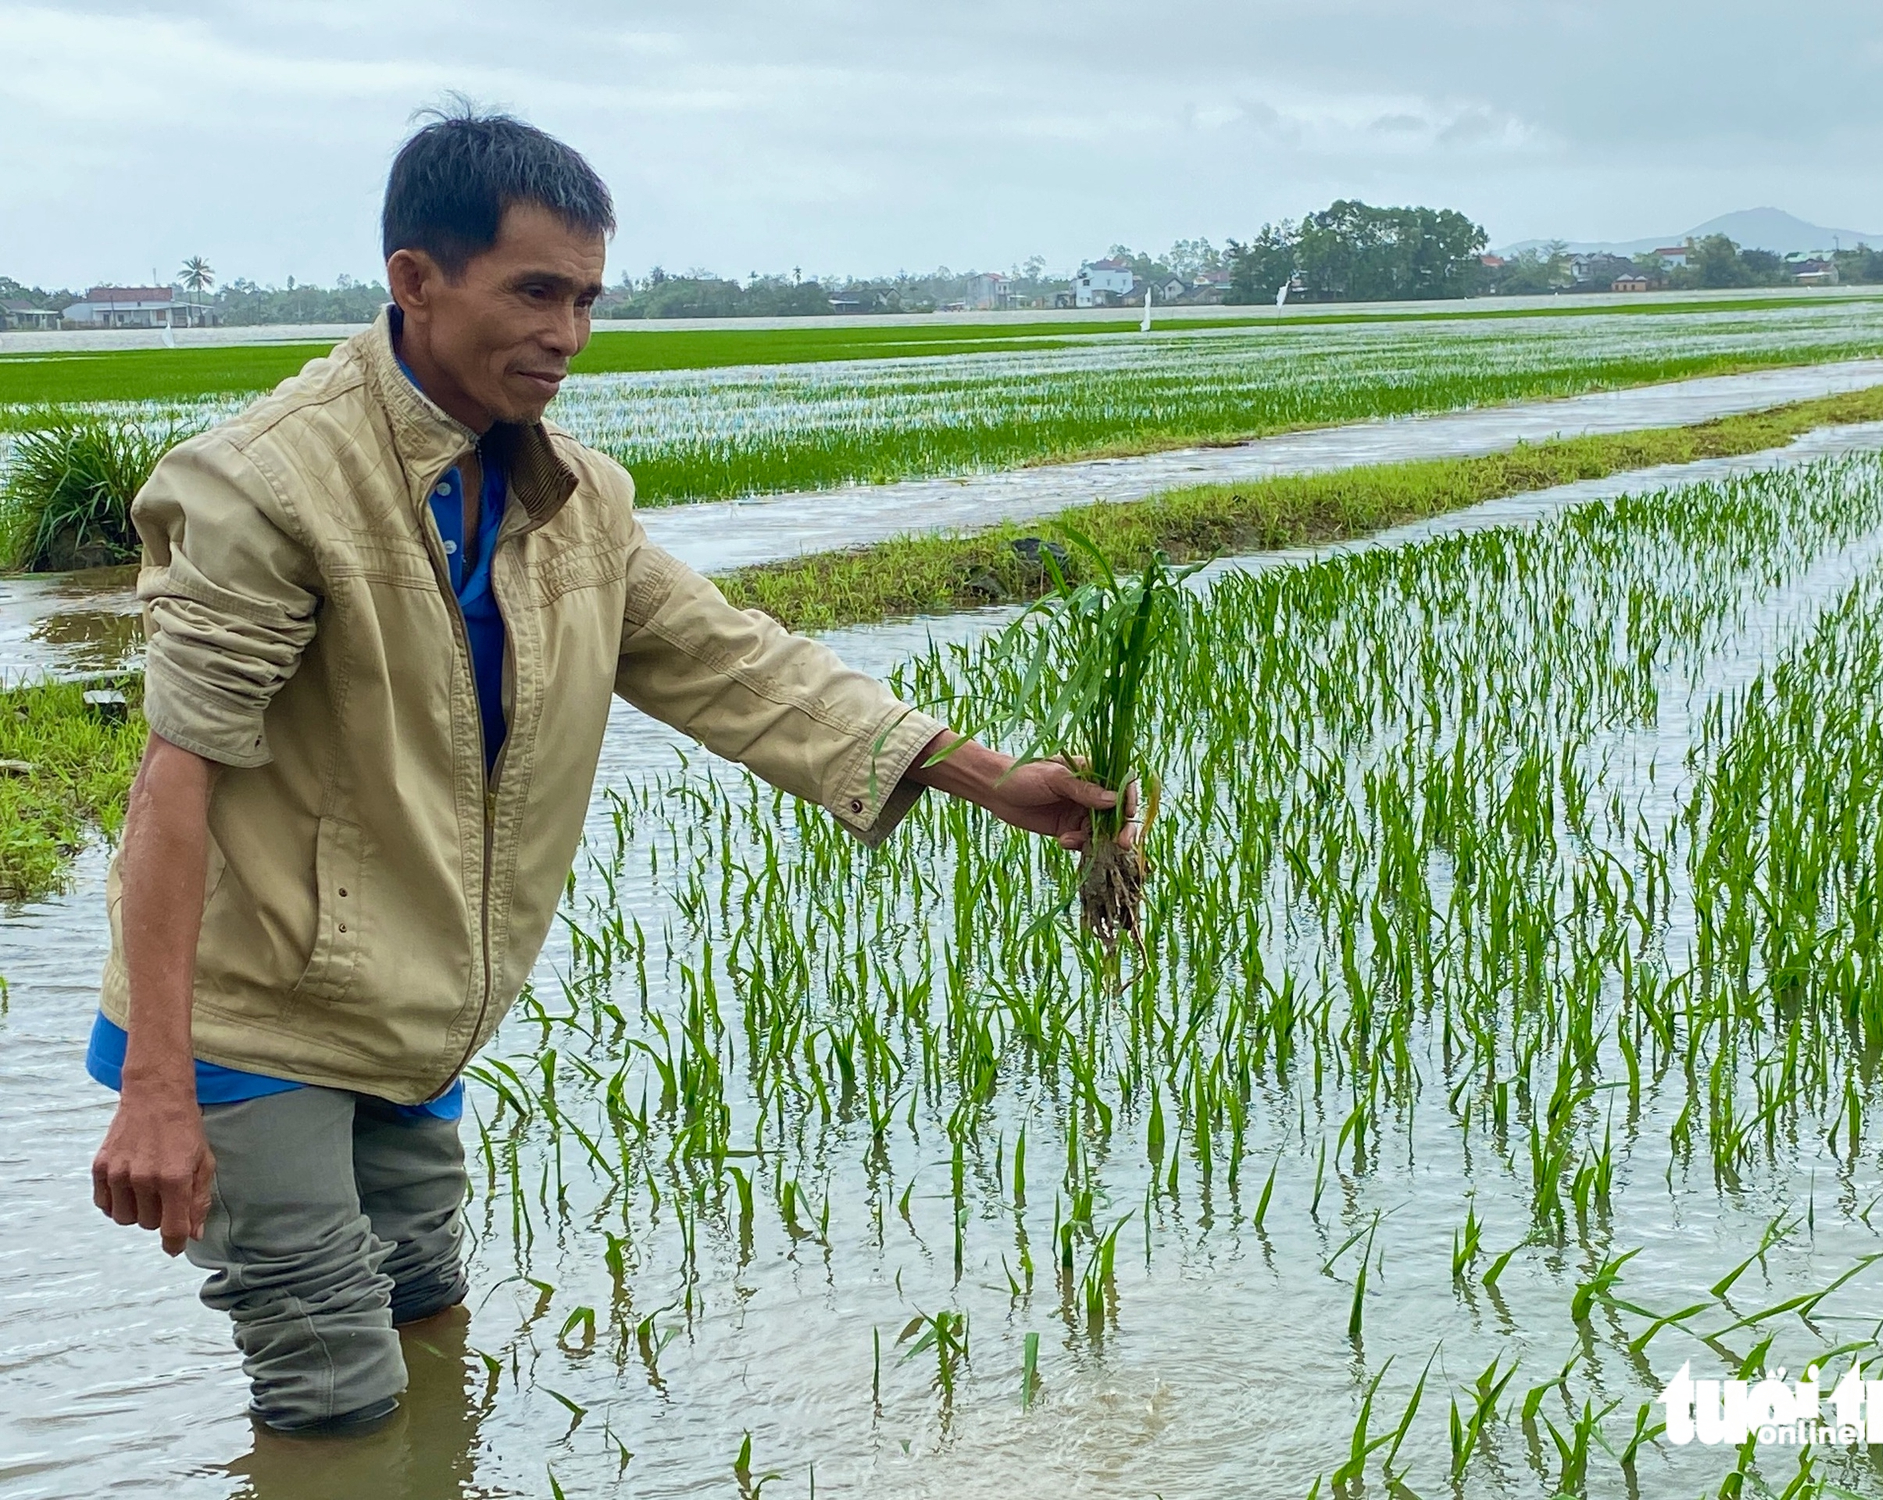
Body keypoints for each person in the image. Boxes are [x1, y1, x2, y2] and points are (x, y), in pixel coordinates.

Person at [87, 105, 1132, 1436]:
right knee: (330, 1387)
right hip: (247, 1022)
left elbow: (733, 663)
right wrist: (157, 1089)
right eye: (535, 292)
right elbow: (175, 781)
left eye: (587, 298)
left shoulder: (568, 493)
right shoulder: (267, 489)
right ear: (416, 280)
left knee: (425, 1314)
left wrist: (978, 776)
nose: (568, 335)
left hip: (409, 1013)